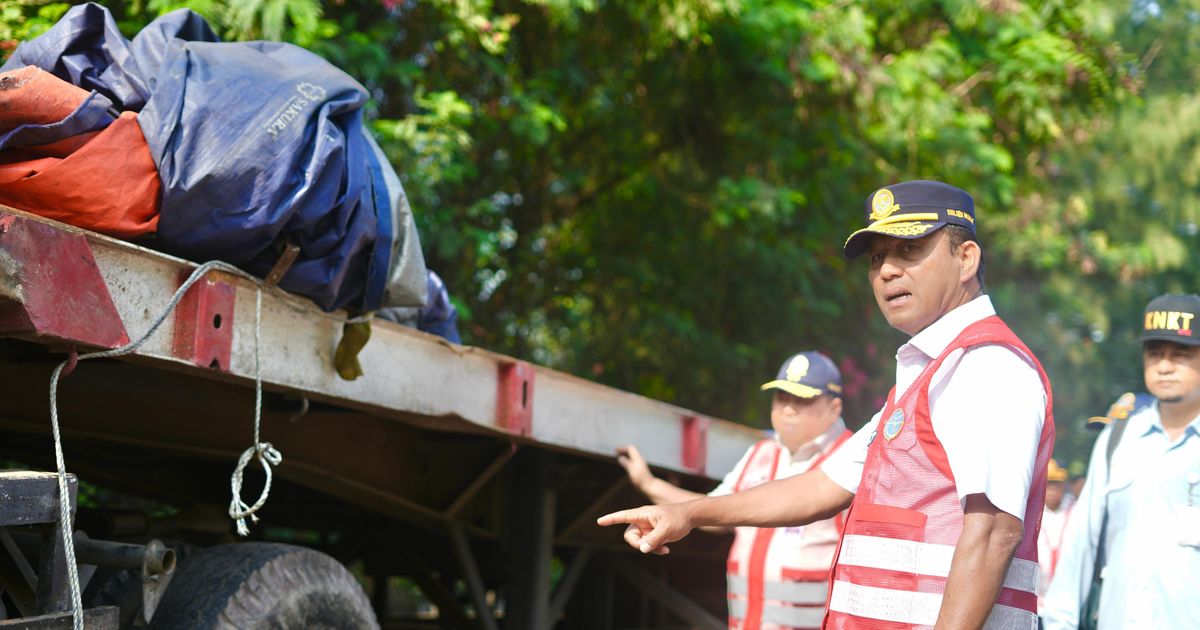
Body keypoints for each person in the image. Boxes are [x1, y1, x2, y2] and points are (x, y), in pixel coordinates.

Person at [598, 180, 1054, 629]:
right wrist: (688, 513)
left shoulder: (986, 365)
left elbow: (994, 530)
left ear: (966, 258)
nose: (887, 271)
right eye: (877, 258)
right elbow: (819, 487)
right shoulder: (929, 376)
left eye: (909, 251)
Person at [617, 351, 853, 630]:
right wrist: (649, 484)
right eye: (782, 397)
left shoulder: (851, 459)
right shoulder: (761, 453)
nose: (788, 408)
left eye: (802, 399)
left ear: (834, 409)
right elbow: (713, 510)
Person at [1042, 294, 1200, 629]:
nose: (1164, 365)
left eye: (1181, 355)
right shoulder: (1117, 441)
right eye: (1155, 353)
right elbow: (1080, 548)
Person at [1038, 459, 1072, 609]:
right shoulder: (1033, 513)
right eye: (1048, 485)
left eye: (1056, 485)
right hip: (1038, 599)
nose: (1052, 490)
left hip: (1066, 598)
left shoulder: (1075, 511)